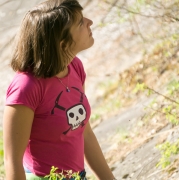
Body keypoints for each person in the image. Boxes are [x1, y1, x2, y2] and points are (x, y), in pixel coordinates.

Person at [3, 0, 116, 179]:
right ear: (63, 44)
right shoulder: (26, 87)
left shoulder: (75, 67)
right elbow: (12, 160)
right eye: (80, 22)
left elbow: (84, 132)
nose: (89, 22)